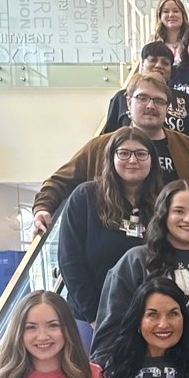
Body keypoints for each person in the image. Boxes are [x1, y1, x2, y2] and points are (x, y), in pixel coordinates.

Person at [32, 72, 189, 235]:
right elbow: (60, 181)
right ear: (128, 102)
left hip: (172, 245)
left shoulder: (188, 148)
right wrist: (42, 208)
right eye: (143, 98)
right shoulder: (100, 146)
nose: (151, 106)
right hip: (111, 241)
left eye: (159, 101)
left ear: (167, 107)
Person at [91, 180, 189, 361]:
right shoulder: (136, 260)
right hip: (152, 367)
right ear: (163, 214)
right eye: (179, 211)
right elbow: (110, 329)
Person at [58, 127, 162, 328]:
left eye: (141, 154)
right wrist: (93, 316)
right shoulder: (85, 197)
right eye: (124, 153)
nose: (133, 160)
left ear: (152, 160)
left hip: (147, 316)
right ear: (111, 157)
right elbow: (69, 260)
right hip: (90, 317)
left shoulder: (162, 202)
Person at [102, 41, 189, 153]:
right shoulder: (122, 97)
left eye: (165, 63)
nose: (159, 66)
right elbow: (108, 139)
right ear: (142, 64)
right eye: (153, 60)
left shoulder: (184, 99)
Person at [153, 0, 189, 64]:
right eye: (166, 11)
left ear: (183, 15)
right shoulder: (152, 44)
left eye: (175, 11)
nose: (171, 15)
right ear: (160, 16)